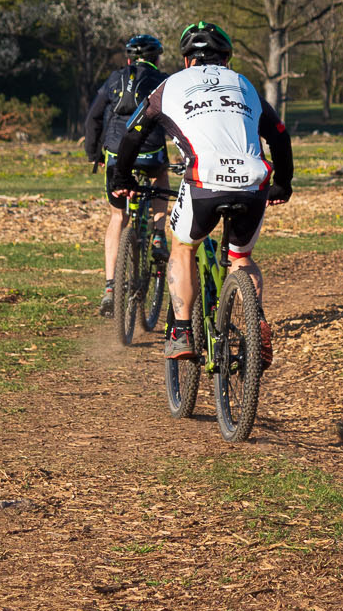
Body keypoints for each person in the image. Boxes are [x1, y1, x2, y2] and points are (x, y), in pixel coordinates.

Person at [110, 19, 293, 366]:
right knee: (241, 258)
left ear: (185, 61)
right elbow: (279, 134)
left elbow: (134, 132)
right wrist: (284, 182)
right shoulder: (244, 84)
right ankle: (257, 326)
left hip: (203, 181)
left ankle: (180, 331)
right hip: (254, 180)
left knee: (183, 246)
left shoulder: (170, 86)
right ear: (227, 59)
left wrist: (121, 176)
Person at [83, 33, 169, 317]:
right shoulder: (163, 80)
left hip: (116, 153)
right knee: (160, 175)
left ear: (129, 58)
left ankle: (110, 288)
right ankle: (158, 235)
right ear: (157, 59)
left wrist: (94, 153)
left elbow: (94, 117)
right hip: (151, 150)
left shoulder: (114, 79)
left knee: (117, 217)